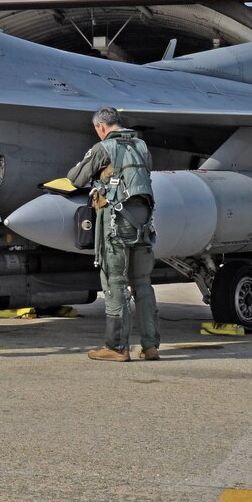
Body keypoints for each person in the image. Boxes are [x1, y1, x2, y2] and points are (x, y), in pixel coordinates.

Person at [68, 107, 159, 362]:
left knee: (114, 281)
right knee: (142, 282)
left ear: (100, 127)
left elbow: (75, 178)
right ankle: (151, 346)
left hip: (117, 221)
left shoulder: (102, 148)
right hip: (144, 220)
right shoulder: (141, 145)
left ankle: (117, 347)